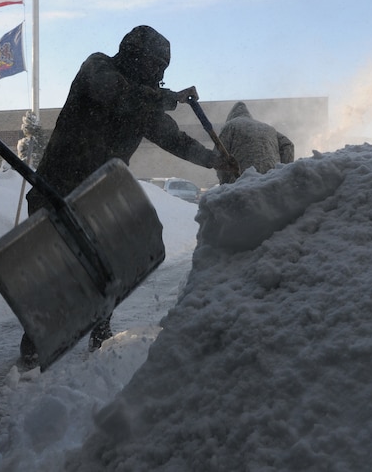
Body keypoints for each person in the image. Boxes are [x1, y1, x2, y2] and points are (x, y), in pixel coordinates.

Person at [23, 25, 236, 359]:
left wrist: (213, 160)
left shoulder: (144, 103)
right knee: (55, 269)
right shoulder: (98, 67)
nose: (158, 74)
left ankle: (101, 330)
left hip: (99, 195)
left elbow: (173, 138)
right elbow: (112, 92)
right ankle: (36, 344)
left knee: (110, 261)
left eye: (162, 69)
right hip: (57, 187)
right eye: (154, 65)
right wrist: (169, 98)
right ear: (133, 54)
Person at [216, 101, 295, 185]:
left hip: (243, 179)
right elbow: (288, 145)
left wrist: (224, 182)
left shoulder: (230, 125)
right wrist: (281, 173)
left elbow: (219, 156)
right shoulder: (268, 127)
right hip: (271, 178)